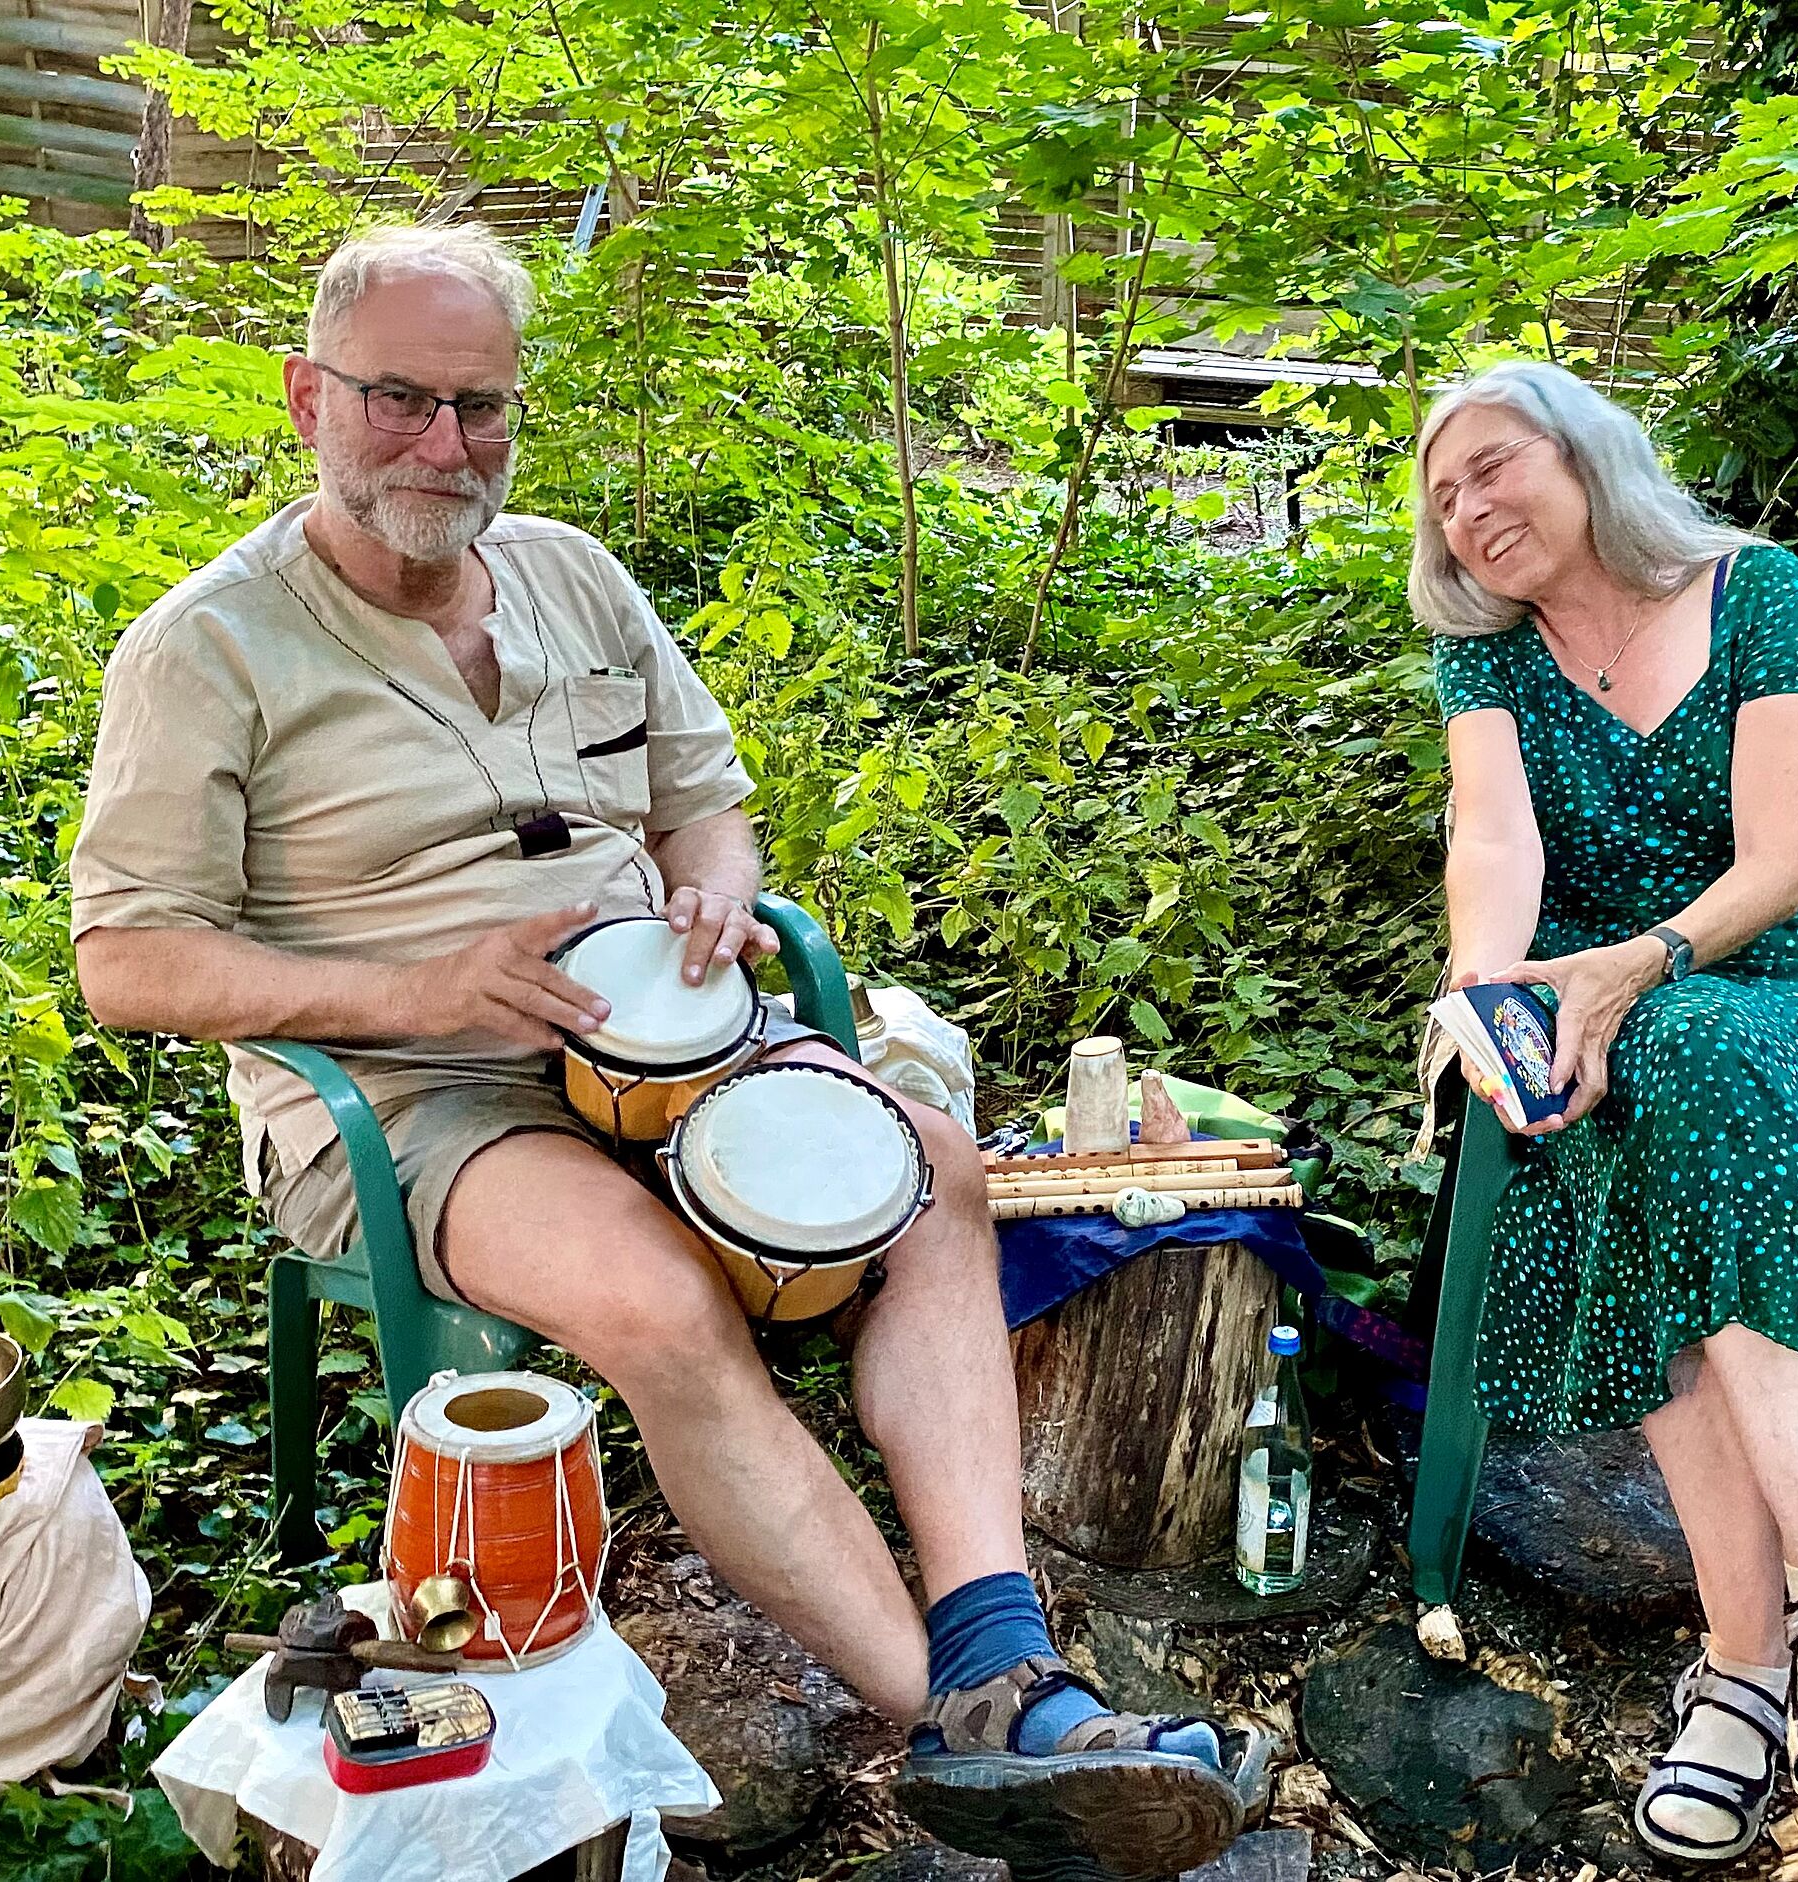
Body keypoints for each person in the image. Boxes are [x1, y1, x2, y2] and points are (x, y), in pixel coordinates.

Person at [69, 223, 1264, 1881]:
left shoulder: (573, 574)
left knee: (934, 1172)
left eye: (480, 406)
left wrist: (710, 892)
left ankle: (1001, 1647)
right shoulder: (207, 647)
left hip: (662, 1040)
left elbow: (709, 805)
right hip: (415, 1095)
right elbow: (127, 959)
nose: (444, 445)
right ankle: (972, 1727)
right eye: (401, 399)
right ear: (308, 397)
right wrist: (426, 989)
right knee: (656, 1300)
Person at [1414, 360, 1798, 1861]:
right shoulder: (1488, 658)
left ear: (1584, 453)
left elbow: (1779, 864)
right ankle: (1787, 1634)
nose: (1469, 508)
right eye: (1444, 499)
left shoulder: (1755, 588)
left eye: (1492, 465)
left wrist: (1635, 966)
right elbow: (1495, 843)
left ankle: (1790, 1621)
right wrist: (1490, 995)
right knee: (1648, 1109)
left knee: (1691, 1064)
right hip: (1621, 1036)